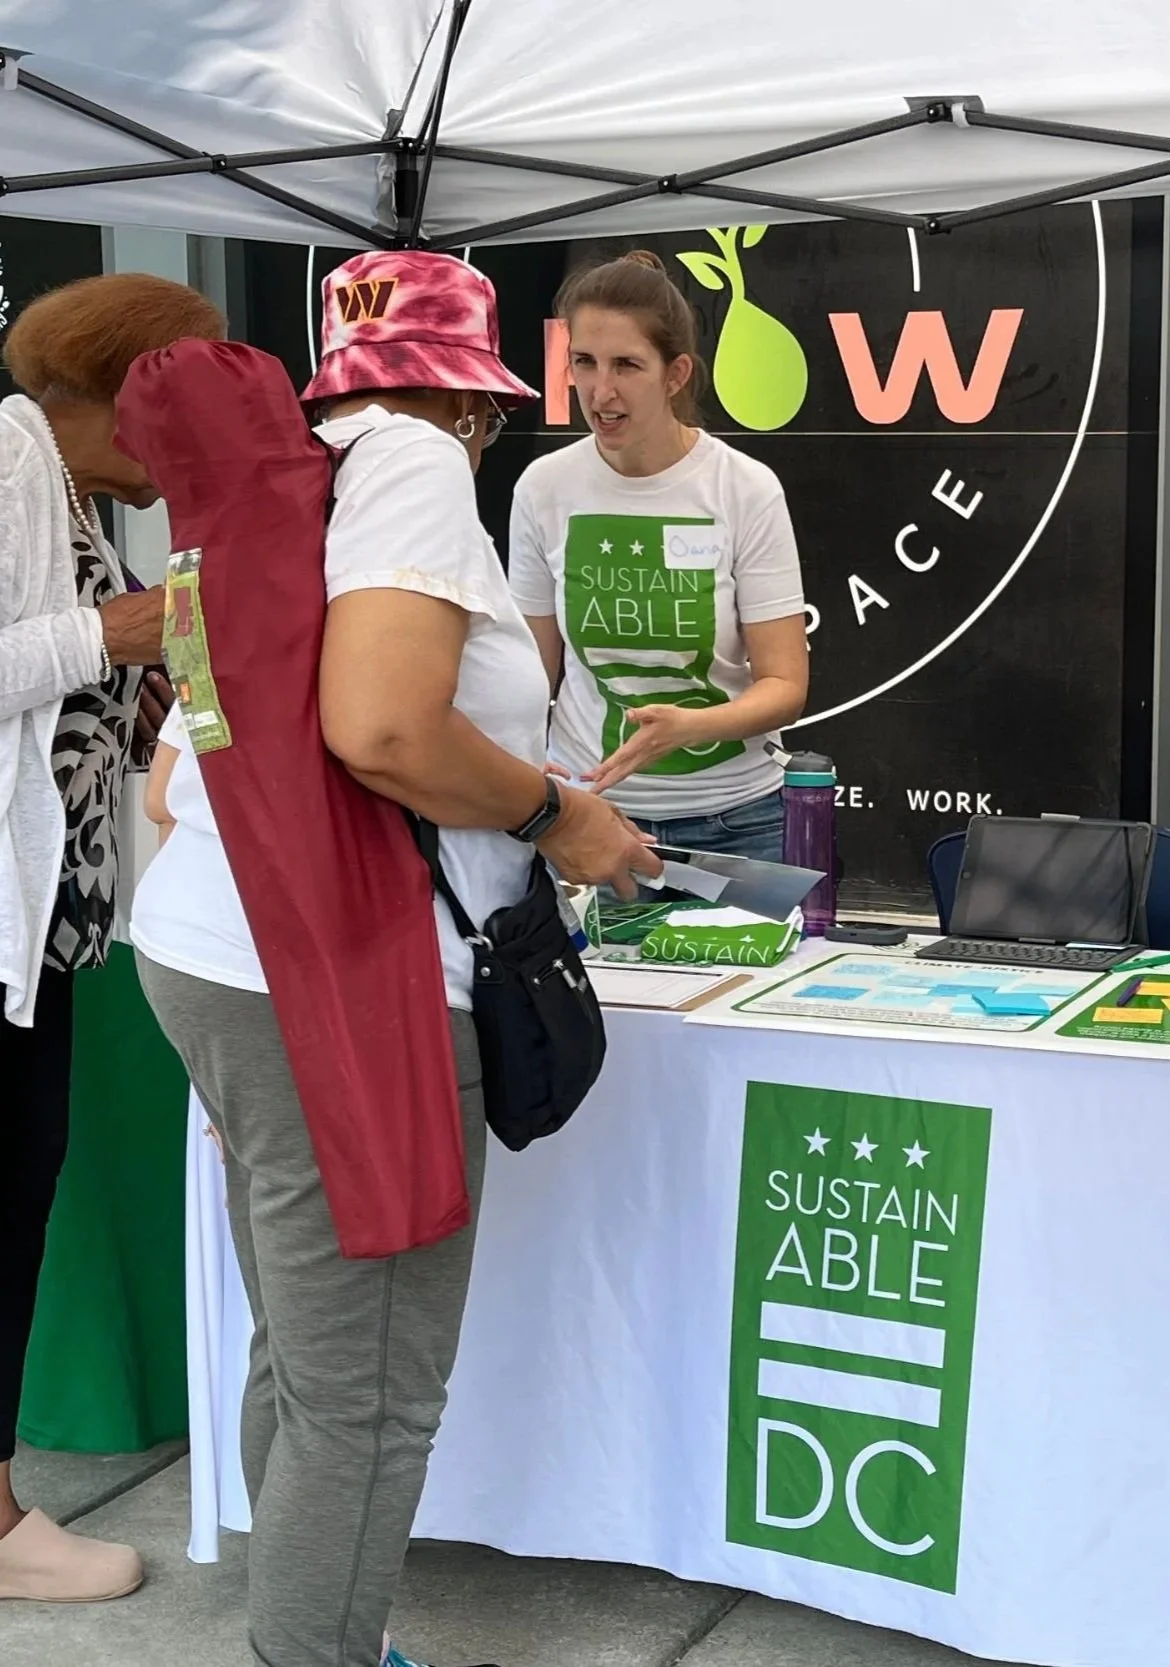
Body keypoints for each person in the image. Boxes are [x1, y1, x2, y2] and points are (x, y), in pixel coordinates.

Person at [131, 251, 658, 1667]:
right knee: (368, 1389)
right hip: (346, 985)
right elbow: (382, 728)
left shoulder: (276, 489)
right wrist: (560, 815)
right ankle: (314, 1646)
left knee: (308, 1349)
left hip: (221, 954)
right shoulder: (414, 470)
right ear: (469, 399)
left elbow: (179, 779)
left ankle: (320, 1625)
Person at [0, 273, 224, 1604]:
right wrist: (128, 628)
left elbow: (94, 709)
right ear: (132, 388)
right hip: (6, 932)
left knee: (17, 1202)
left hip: (50, 934)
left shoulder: (76, 494)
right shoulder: (9, 462)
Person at [508, 250, 809, 861]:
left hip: (739, 820)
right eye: (584, 363)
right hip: (592, 816)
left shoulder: (744, 488)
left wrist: (690, 727)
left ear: (676, 375)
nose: (601, 390)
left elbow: (784, 685)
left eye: (627, 365)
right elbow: (529, 673)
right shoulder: (543, 487)